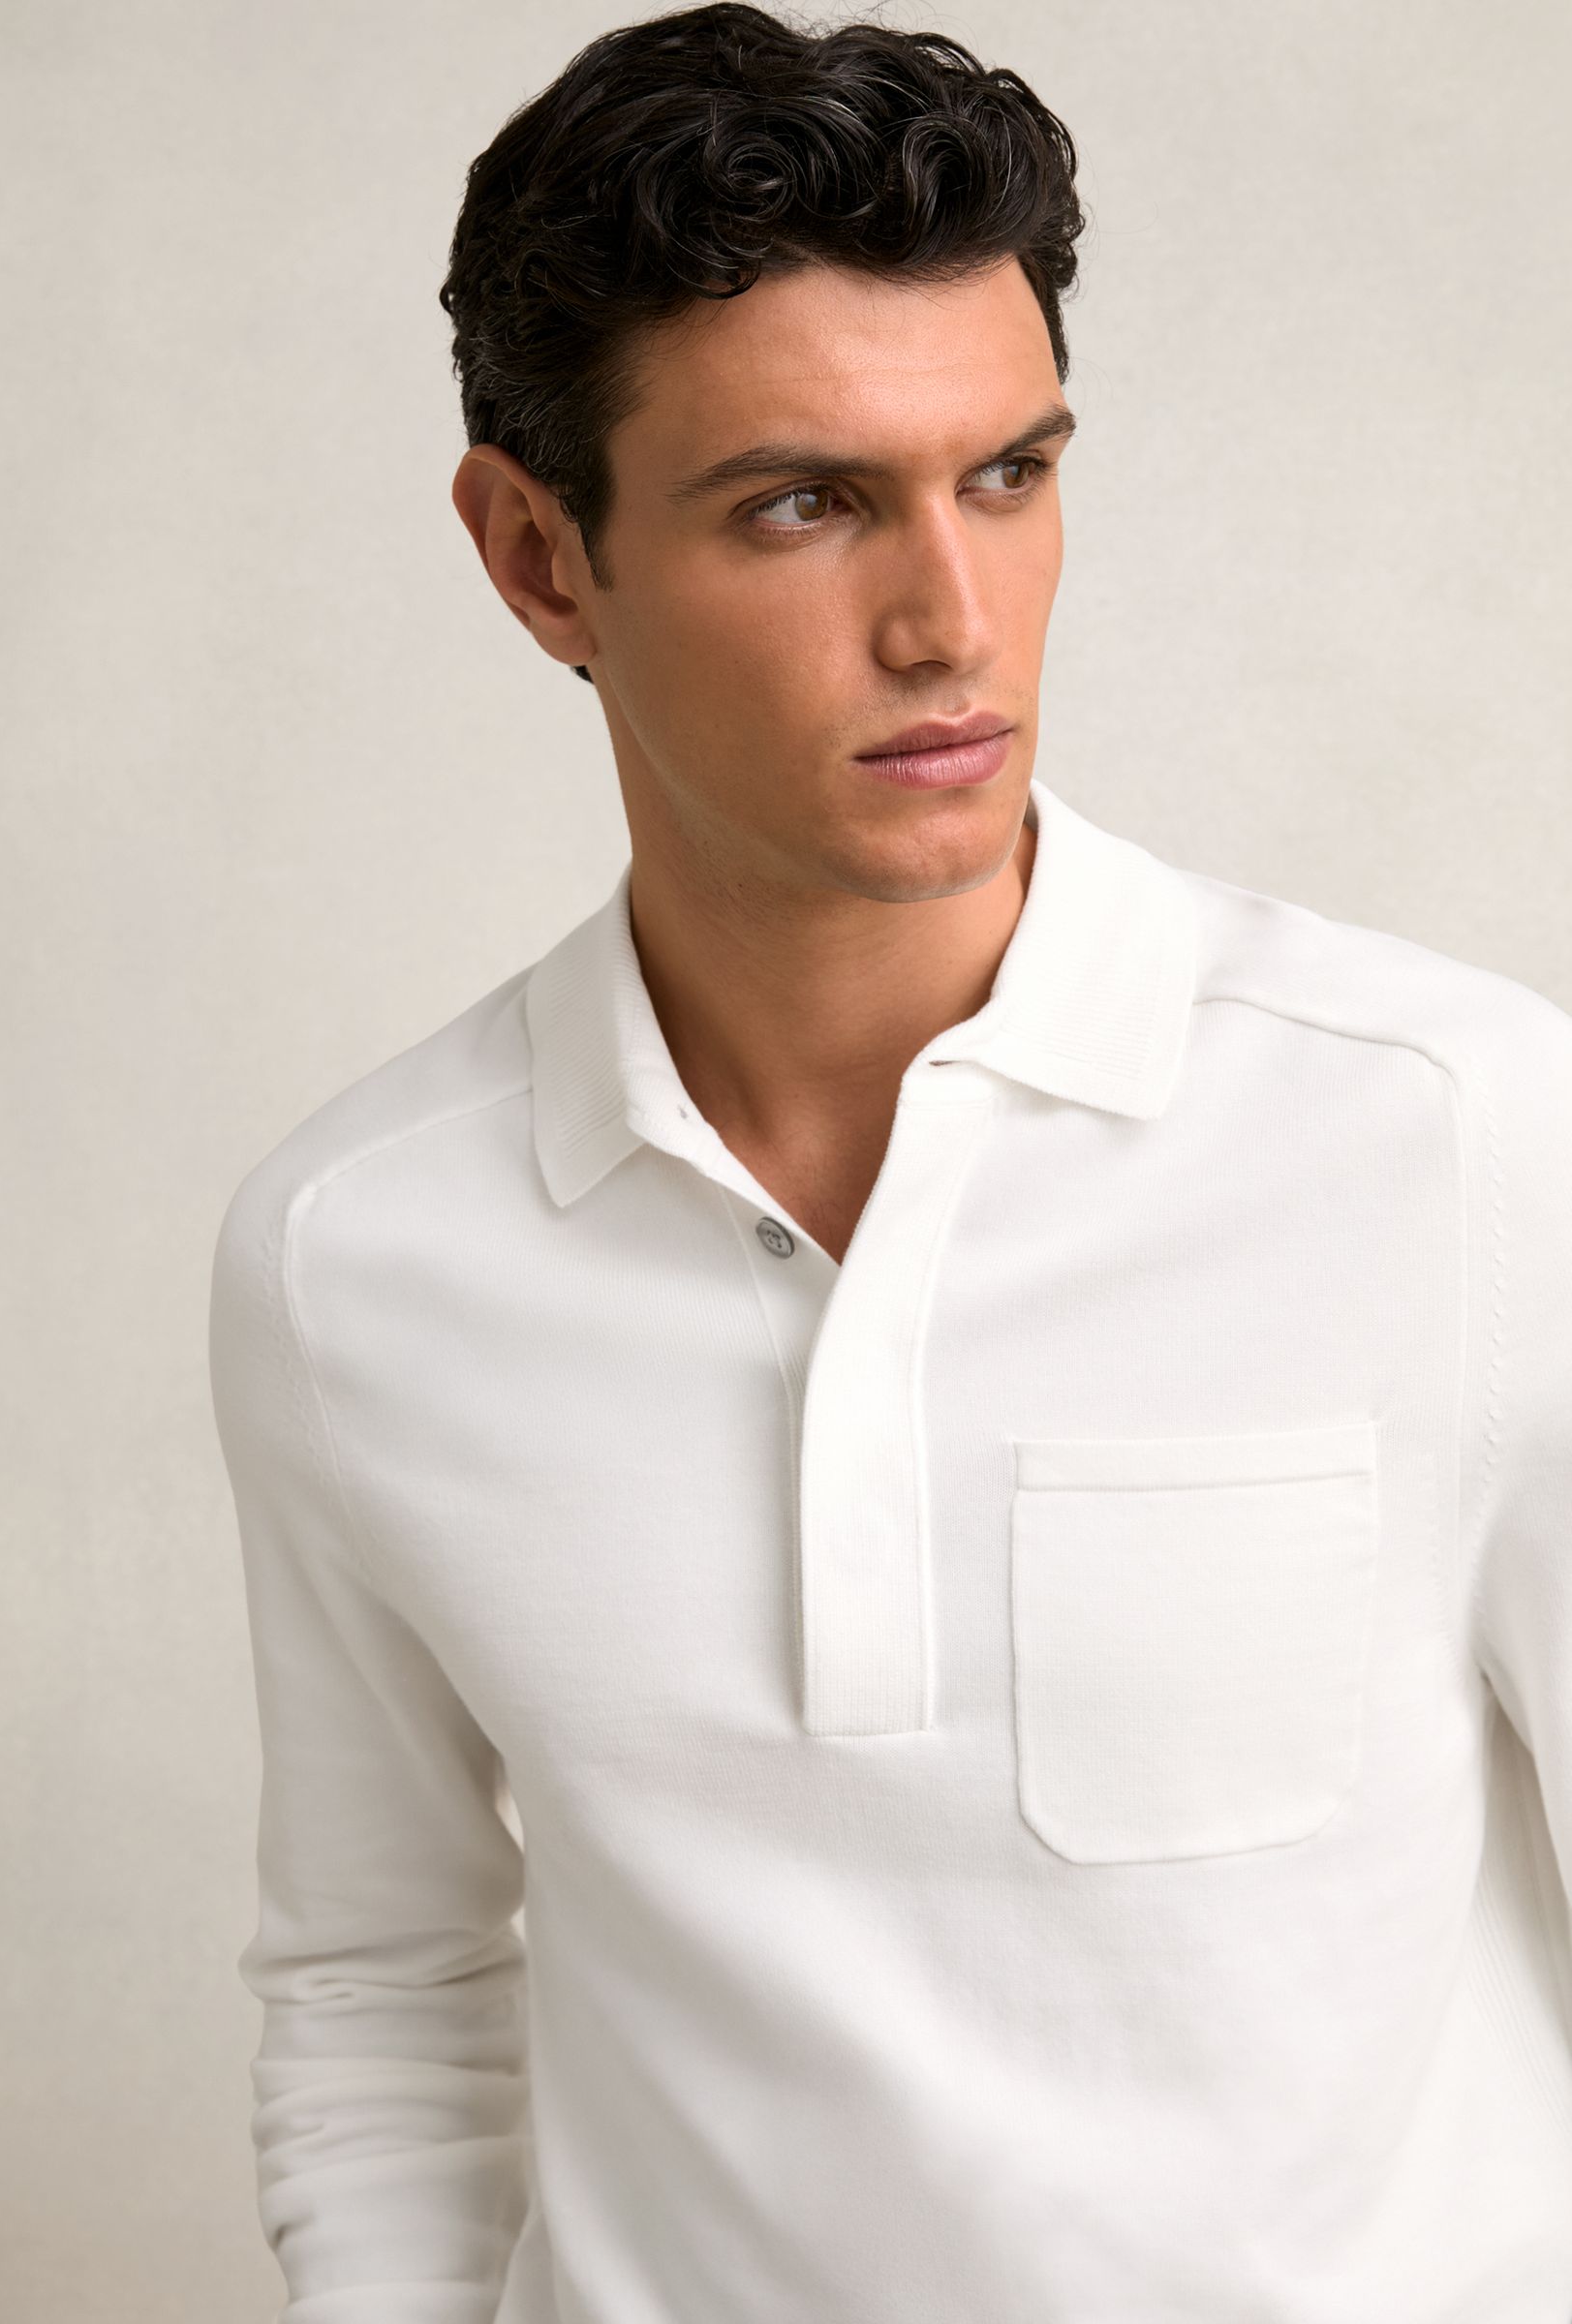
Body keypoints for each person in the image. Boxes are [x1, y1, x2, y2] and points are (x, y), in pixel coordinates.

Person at [207, 6, 1572, 2317]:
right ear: (541, 558)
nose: (952, 623)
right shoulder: (357, 1260)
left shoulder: (1456, 1133)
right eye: (804, 505)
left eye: (1008, 476)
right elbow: (379, 1984)